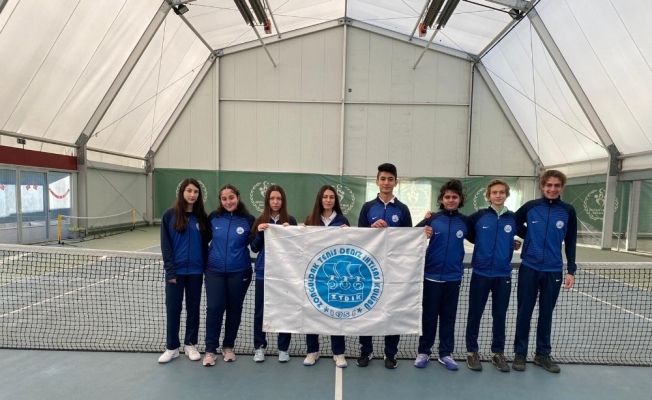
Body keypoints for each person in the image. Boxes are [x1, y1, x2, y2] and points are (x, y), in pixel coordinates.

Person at [512, 170, 577, 373]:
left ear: (561, 187)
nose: (552, 189)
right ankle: (520, 353)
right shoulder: (531, 206)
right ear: (542, 186)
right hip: (529, 267)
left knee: (546, 314)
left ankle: (542, 354)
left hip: (553, 270)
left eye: (557, 185)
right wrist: (527, 235)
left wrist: (571, 269)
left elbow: (571, 241)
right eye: (549, 185)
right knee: (524, 312)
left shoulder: (568, 211)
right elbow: (512, 221)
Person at [357, 163, 413, 369]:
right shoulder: (367, 207)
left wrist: (392, 232)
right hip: (369, 269)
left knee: (393, 310)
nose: (386, 183)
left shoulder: (403, 209)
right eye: (383, 179)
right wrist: (372, 229)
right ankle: (366, 351)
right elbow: (359, 237)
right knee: (367, 309)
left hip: (394, 270)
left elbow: (408, 239)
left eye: (390, 179)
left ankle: (390, 353)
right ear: (377, 181)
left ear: (395, 182)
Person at [414, 179, 472, 371]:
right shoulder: (432, 219)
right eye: (447, 197)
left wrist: (510, 243)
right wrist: (422, 230)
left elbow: (484, 239)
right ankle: (424, 351)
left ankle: (445, 353)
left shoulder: (465, 222)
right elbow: (410, 235)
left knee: (448, 317)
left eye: (454, 197)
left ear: (460, 199)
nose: (451, 200)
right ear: (441, 199)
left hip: (453, 278)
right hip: (431, 276)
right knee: (429, 317)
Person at [464, 179, 518, 372]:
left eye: (502, 192)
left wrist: (514, 242)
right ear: (488, 195)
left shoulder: (513, 218)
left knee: (500, 315)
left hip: (503, 274)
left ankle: (498, 353)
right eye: (494, 192)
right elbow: (462, 227)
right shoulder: (479, 216)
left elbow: (528, 233)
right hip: (480, 273)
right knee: (475, 314)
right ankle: (472, 352)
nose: (498, 195)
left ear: (506, 195)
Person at [203, 184, 255, 367]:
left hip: (240, 272)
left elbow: (256, 245)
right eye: (224, 199)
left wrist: (266, 229)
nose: (228, 202)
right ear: (220, 201)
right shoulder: (213, 217)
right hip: (214, 271)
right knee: (214, 308)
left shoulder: (249, 220)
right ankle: (210, 350)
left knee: (234, 309)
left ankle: (228, 347)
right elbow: (203, 240)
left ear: (238, 197)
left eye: (231, 197)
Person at [158, 178, 210, 364]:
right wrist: (170, 271)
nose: (192, 194)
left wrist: (204, 266)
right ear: (182, 192)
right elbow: (166, 245)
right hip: (176, 273)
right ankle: (172, 347)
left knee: (193, 308)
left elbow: (205, 243)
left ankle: (190, 344)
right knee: (173, 309)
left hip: (196, 272)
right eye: (189, 191)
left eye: (196, 191)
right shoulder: (169, 215)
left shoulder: (202, 217)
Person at [303, 184, 350, 368]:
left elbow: (349, 247)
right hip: (315, 276)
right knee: (312, 311)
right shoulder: (310, 220)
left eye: (331, 197)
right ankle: (312, 351)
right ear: (320, 199)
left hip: (335, 277)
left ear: (335, 200)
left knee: (336, 312)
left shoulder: (343, 220)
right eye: (325, 197)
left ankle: (338, 352)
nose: (328, 200)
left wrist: (349, 233)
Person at [250, 185, 297, 363]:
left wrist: (289, 232)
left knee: (285, 310)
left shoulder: (290, 220)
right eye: (272, 198)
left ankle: (283, 348)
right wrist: (260, 233)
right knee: (260, 312)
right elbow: (254, 248)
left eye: (278, 198)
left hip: (284, 274)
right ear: (267, 201)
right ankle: (259, 347)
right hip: (264, 273)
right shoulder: (259, 220)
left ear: (283, 201)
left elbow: (295, 248)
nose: (275, 202)